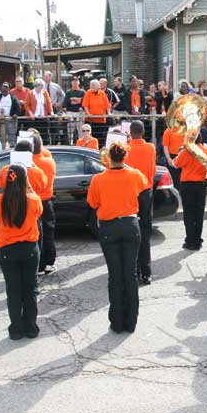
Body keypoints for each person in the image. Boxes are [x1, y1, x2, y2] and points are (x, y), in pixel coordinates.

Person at [87, 142, 148, 333]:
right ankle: (131, 322)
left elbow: (92, 202)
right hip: (130, 225)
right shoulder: (134, 174)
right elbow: (144, 182)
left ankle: (117, 322)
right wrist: (125, 165)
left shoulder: (98, 179)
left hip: (109, 227)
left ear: (108, 158)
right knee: (130, 274)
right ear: (124, 157)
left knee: (115, 275)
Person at [0, 163, 43, 340]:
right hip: (29, 248)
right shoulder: (33, 199)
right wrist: (29, 186)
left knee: (13, 290)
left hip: (7, 249)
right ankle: (31, 327)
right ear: (24, 180)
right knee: (30, 288)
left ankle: (16, 329)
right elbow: (38, 213)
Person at [123, 121, 156, 285]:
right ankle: (147, 273)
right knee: (145, 233)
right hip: (146, 191)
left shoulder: (125, 148)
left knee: (132, 233)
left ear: (130, 132)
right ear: (143, 132)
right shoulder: (150, 147)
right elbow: (153, 169)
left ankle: (134, 272)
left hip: (130, 193)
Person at [172, 138, 207, 250]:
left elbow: (175, 164)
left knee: (189, 213)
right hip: (201, 184)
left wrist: (179, 153)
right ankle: (198, 240)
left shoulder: (186, 151)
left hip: (187, 185)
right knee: (199, 213)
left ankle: (190, 240)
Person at [27, 130, 57, 275]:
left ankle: (38, 264)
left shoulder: (27, 165)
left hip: (32, 202)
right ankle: (49, 262)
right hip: (46, 201)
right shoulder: (49, 161)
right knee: (48, 232)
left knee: (35, 234)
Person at [0, 83, 22, 148]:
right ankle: (0, 149)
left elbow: (18, 107)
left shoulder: (13, 98)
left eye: (6, 89)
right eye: (3, 90)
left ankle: (12, 148)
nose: (4, 91)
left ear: (9, 90)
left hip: (10, 119)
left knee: (11, 135)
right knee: (0, 135)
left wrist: (16, 114)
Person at [63, 77, 86, 143]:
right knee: (70, 130)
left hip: (80, 113)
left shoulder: (83, 92)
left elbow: (83, 102)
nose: (75, 82)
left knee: (81, 130)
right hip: (70, 113)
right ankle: (71, 144)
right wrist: (78, 100)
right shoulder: (68, 92)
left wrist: (74, 100)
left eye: (76, 81)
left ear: (79, 82)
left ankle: (81, 143)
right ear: (71, 83)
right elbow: (67, 102)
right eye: (73, 81)